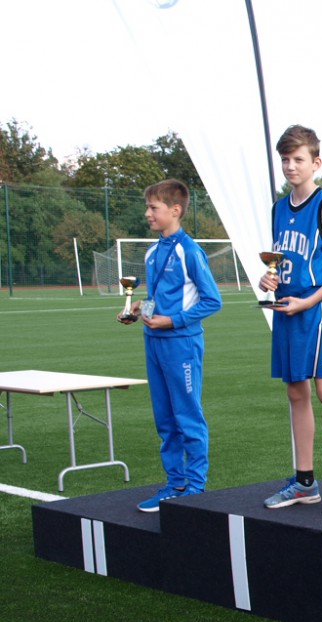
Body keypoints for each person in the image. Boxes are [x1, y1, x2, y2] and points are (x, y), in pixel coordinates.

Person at [258, 124, 322, 514]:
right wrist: (269, 279)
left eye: (298, 159)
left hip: (314, 312)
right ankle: (304, 482)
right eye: (285, 159)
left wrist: (309, 301)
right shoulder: (279, 208)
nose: (290, 166)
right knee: (295, 393)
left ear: (316, 163)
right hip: (286, 309)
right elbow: (284, 261)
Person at [118, 179, 222, 512]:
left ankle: (195, 486)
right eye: (147, 207)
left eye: (154, 208)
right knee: (164, 418)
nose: (147, 213)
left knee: (187, 416)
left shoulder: (189, 250)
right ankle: (175, 483)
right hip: (154, 343)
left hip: (181, 345)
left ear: (175, 210)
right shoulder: (153, 251)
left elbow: (212, 301)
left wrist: (172, 321)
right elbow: (158, 297)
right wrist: (139, 309)